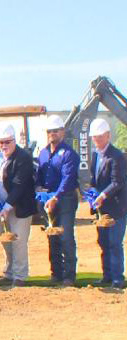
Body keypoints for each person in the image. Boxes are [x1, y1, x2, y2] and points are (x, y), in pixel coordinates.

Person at [0, 125, 37, 287]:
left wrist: (8, 207)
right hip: (0, 207)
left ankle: (20, 276)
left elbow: (19, 185)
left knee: (18, 241)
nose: (3, 146)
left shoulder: (23, 157)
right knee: (5, 240)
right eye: (0, 142)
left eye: (7, 142)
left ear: (14, 141)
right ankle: (8, 273)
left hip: (19, 207)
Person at [36, 115, 80, 286]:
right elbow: (40, 175)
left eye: (55, 131)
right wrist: (39, 189)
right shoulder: (43, 152)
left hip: (65, 199)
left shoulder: (69, 154)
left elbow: (67, 179)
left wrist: (56, 197)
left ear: (62, 131)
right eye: (49, 131)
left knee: (65, 236)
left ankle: (69, 276)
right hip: (48, 200)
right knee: (52, 236)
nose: (52, 134)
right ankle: (56, 274)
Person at [88, 118, 127, 289]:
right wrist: (92, 193)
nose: (96, 140)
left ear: (108, 136)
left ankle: (118, 278)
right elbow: (94, 179)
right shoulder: (95, 155)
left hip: (116, 206)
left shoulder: (117, 156)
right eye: (94, 137)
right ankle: (107, 275)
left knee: (114, 242)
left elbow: (117, 182)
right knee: (103, 241)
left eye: (99, 137)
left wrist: (103, 195)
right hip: (101, 207)